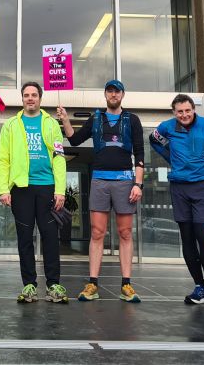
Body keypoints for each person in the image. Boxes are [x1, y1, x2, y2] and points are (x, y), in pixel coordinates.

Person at [56, 79, 144, 303]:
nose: (113, 95)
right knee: (97, 233)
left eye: (117, 91)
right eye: (110, 91)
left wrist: (138, 183)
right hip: (100, 181)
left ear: (123, 95)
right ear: (105, 94)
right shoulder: (96, 119)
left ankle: (126, 285)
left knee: (125, 233)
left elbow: (140, 154)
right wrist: (66, 120)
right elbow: (74, 140)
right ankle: (92, 284)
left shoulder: (132, 120)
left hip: (125, 182)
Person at [149, 93, 204, 306]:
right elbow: (153, 139)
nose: (184, 115)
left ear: (193, 109)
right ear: (174, 113)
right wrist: (171, 157)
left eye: (187, 110)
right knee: (187, 238)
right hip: (179, 187)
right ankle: (198, 287)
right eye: (179, 112)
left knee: (203, 236)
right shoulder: (167, 127)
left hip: (203, 186)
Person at [0, 81, 68, 304]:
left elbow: (59, 157)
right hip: (22, 189)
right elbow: (3, 159)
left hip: (47, 187)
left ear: (40, 98)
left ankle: (54, 285)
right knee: (24, 239)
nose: (30, 98)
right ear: (22, 98)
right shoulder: (11, 125)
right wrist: (3, 189)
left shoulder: (51, 124)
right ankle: (29, 285)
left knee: (50, 239)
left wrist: (60, 190)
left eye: (34, 95)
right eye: (26, 95)